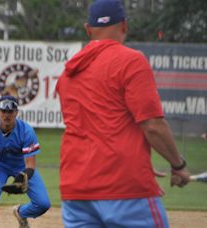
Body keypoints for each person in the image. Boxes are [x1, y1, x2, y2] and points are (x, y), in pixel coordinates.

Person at [56, 0, 190, 227]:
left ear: (88, 29)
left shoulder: (67, 73)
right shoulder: (130, 60)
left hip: (75, 189)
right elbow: (153, 126)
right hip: (124, 189)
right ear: (125, 25)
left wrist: (138, 161)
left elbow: (97, 128)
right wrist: (178, 165)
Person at [0, 95, 50, 228]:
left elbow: (30, 165)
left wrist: (22, 178)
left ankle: (21, 213)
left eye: (10, 111)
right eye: (3, 111)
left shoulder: (26, 131)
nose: (7, 115)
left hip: (22, 168)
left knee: (43, 203)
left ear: (16, 113)